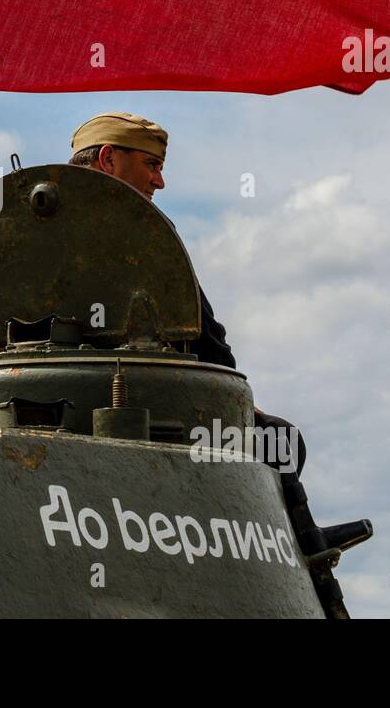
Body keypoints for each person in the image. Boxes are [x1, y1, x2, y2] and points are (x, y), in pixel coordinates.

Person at [69, 111, 305, 477]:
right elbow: (205, 335)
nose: (159, 181)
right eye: (151, 164)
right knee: (279, 439)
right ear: (108, 159)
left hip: (44, 400)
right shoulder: (148, 236)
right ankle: (301, 534)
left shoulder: (30, 225)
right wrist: (234, 399)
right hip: (148, 404)